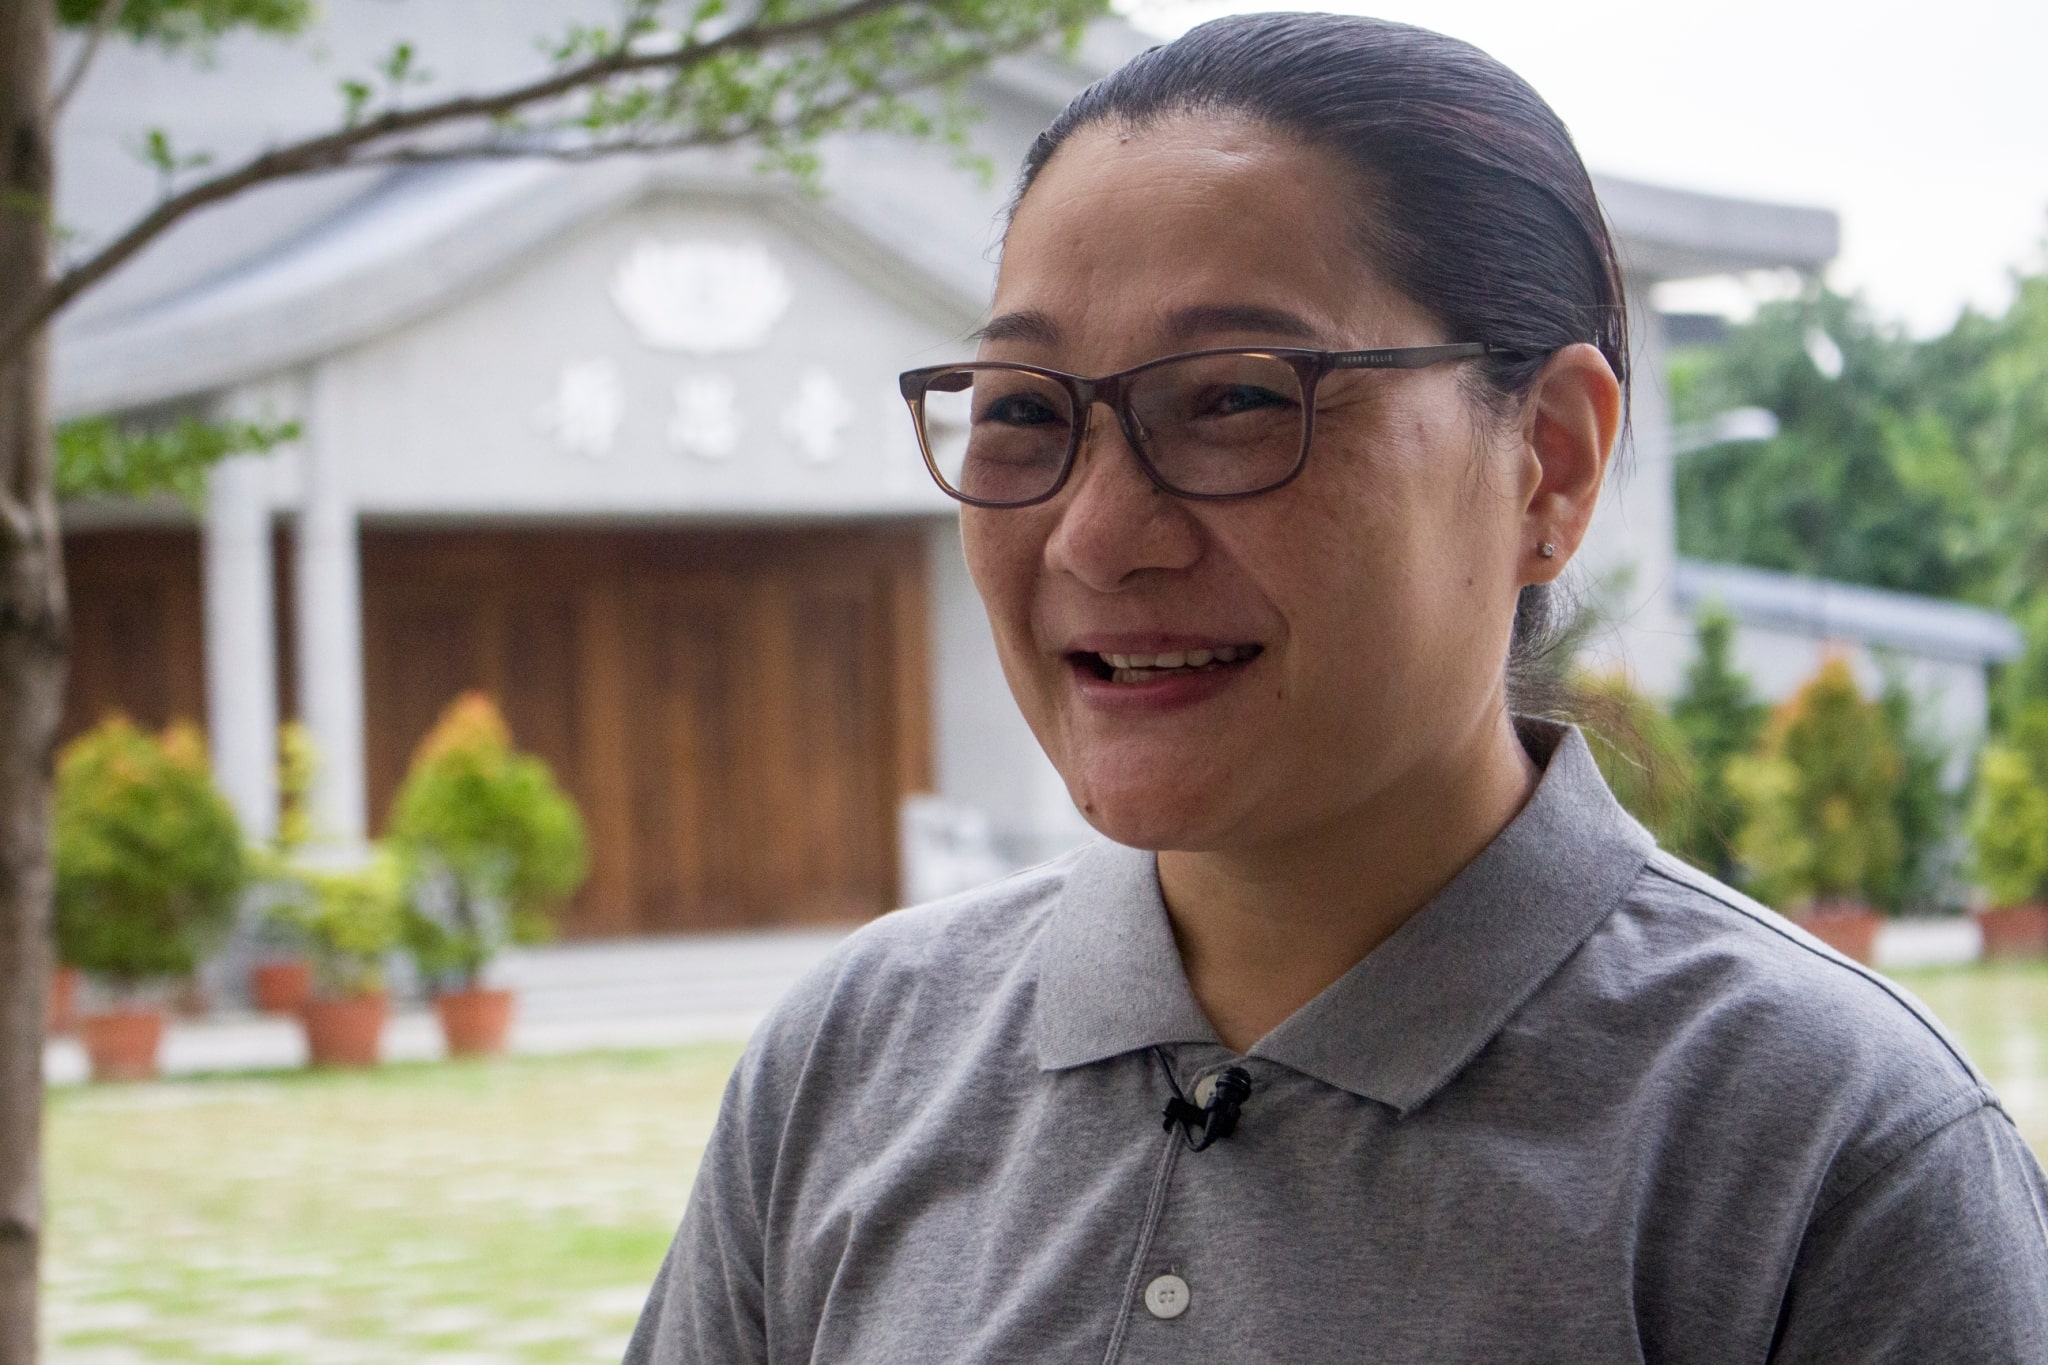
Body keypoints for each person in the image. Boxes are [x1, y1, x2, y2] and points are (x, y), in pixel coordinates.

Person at [625, 13, 2048, 1362]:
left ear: (1548, 460)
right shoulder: (855, 1058)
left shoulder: (1832, 1151)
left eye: (1239, 397)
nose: (1099, 535)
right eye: (1023, 411)